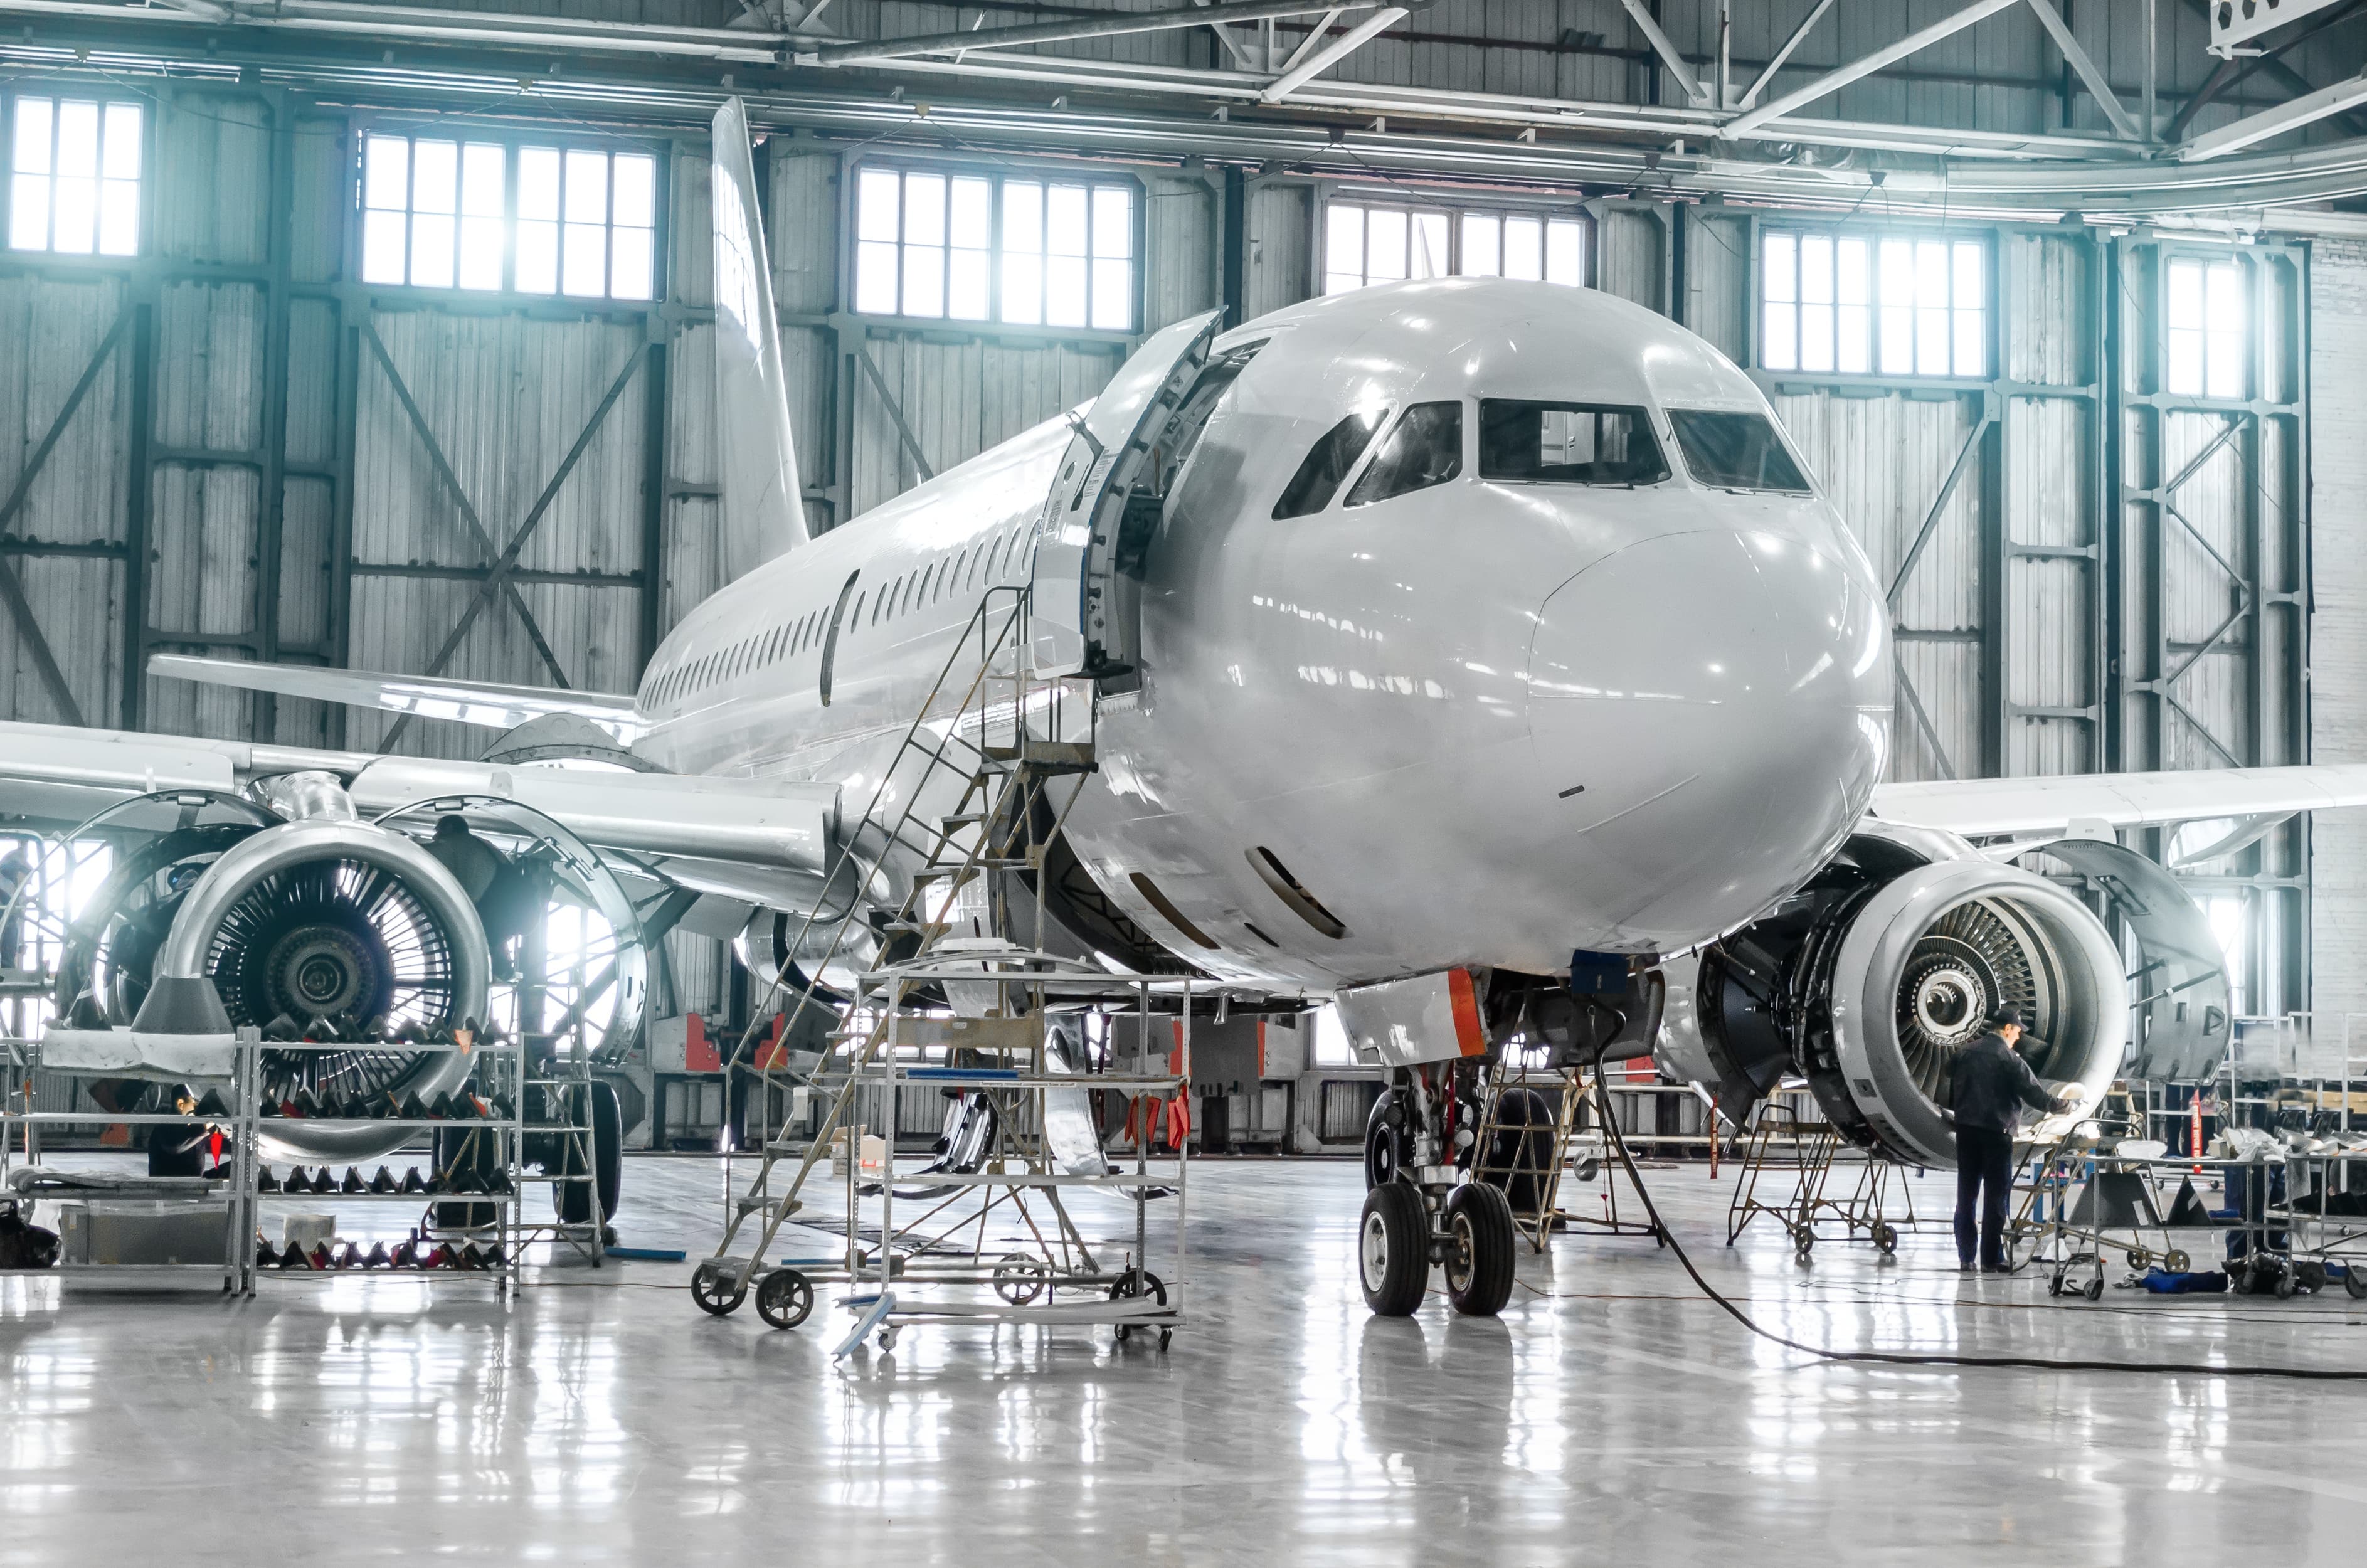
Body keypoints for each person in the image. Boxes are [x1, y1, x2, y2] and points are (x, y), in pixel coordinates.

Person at [1948, 1006, 2075, 1274]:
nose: (2018, 1037)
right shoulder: (2008, 1058)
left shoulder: (1966, 1051)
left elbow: (1949, 1071)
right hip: (1996, 1134)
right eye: (2017, 1031)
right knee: (1996, 1198)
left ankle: (1966, 1258)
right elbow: (2036, 1096)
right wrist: (2067, 1106)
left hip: (1967, 1132)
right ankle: (1992, 1259)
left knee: (1966, 1196)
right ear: (2007, 1029)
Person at [143, 1085, 213, 1179]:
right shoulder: (165, 1126)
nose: (199, 1108)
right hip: (168, 1188)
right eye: (195, 1102)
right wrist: (205, 1128)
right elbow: (175, 1147)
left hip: (192, 1186)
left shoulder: (194, 1126)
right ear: (181, 1104)